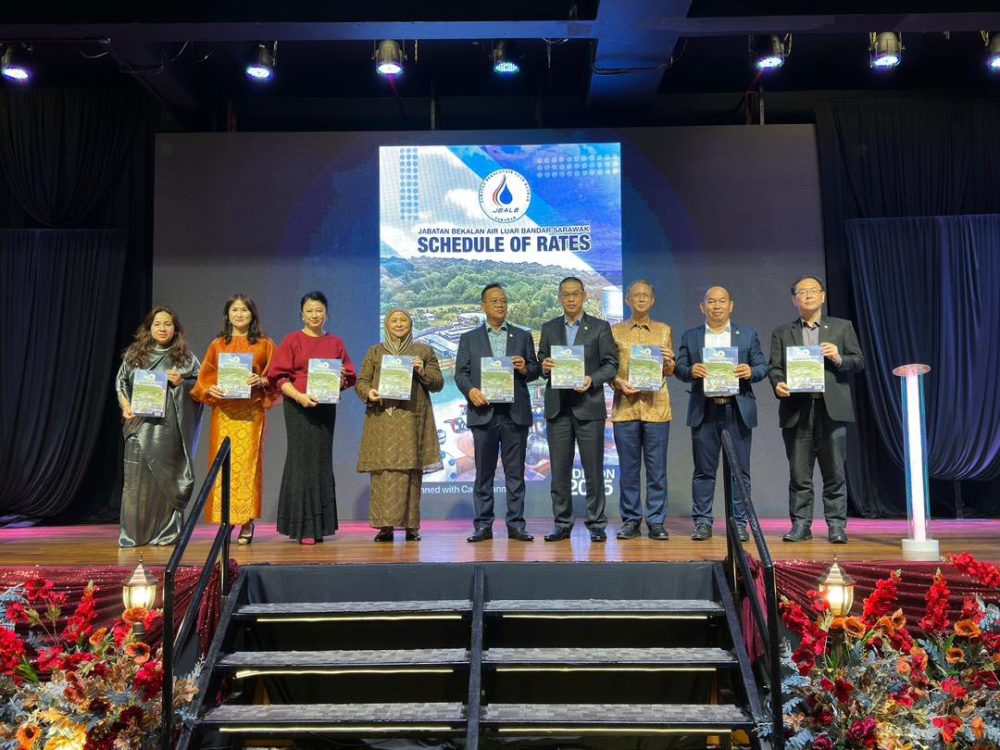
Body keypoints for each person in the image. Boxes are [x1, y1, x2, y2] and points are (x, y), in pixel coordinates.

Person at [768, 275, 865, 544]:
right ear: (794, 300)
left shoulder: (842, 327)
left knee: (835, 472)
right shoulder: (782, 332)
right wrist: (778, 384)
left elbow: (858, 362)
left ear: (822, 296)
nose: (808, 295)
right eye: (802, 292)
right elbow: (775, 368)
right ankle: (801, 525)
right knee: (799, 473)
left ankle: (836, 525)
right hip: (797, 409)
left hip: (832, 408)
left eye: (813, 290)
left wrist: (838, 357)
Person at [675, 286, 767, 543]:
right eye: (711, 301)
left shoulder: (747, 335)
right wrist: (691, 370)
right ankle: (703, 522)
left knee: (740, 471)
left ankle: (739, 523)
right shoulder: (691, 336)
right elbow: (679, 368)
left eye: (722, 301)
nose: (716, 306)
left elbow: (762, 366)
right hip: (704, 410)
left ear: (731, 305)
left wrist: (750, 371)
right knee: (703, 471)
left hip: (736, 410)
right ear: (702, 307)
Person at [269, 291, 356, 544]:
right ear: (302, 315)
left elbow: (349, 377)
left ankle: (321, 525)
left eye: (319, 310)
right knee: (301, 461)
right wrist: (299, 397)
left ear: (327, 314)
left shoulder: (335, 342)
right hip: (298, 407)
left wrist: (340, 380)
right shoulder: (292, 340)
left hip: (325, 408)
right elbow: (278, 377)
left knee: (320, 461)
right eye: (309, 311)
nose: (314, 315)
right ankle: (303, 527)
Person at [455, 283, 540, 543]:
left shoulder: (522, 336)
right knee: (484, 474)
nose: (500, 305)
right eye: (494, 301)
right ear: (483, 306)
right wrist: (471, 391)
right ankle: (483, 525)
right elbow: (461, 374)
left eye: (503, 300)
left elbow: (535, 370)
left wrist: (525, 368)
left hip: (515, 414)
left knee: (515, 473)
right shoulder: (469, 338)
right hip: (484, 413)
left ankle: (516, 525)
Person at [190, 294, 277, 545]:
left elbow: (276, 376)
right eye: (235, 310)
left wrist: (262, 380)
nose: (239, 314)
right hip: (225, 413)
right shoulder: (218, 344)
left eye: (244, 310)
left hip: (251, 414)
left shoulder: (265, 344)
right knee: (224, 465)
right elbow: (203, 381)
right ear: (227, 315)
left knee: (248, 467)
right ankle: (226, 521)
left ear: (253, 315)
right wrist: (211, 389)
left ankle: (246, 520)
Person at [538, 276, 619, 542]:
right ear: (559, 298)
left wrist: (592, 380)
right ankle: (562, 523)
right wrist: (544, 366)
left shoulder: (600, 327)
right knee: (559, 471)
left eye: (575, 293)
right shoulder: (549, 328)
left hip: (589, 407)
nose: (571, 298)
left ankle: (596, 524)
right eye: (566, 294)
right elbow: (541, 361)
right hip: (558, 408)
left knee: (593, 470)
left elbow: (611, 364)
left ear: (584, 296)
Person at [115, 306, 203, 547]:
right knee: (136, 483)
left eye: (167, 324)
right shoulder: (135, 354)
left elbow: (201, 387)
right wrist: (125, 405)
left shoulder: (185, 358)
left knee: (167, 481)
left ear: (175, 329)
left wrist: (182, 383)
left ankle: (166, 533)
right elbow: (121, 382)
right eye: (157, 324)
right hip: (139, 427)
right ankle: (135, 534)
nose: (162, 328)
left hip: (168, 430)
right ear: (149, 328)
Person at [356, 308, 444, 542]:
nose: (398, 323)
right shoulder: (375, 351)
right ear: (387, 324)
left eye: (403, 320)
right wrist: (369, 392)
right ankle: (384, 528)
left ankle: (411, 527)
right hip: (382, 419)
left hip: (412, 419)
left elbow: (438, 383)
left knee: (411, 471)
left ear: (410, 323)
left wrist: (421, 370)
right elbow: (362, 381)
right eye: (393, 320)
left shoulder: (423, 351)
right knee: (383, 472)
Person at [610, 280, 676, 541]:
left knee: (657, 470)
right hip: (625, 408)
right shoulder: (615, 332)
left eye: (645, 295)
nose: (640, 299)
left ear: (653, 300)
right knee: (628, 470)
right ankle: (631, 520)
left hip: (656, 408)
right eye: (635, 295)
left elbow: (668, 371)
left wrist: (669, 363)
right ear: (627, 300)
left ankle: (656, 521)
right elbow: (609, 368)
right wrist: (618, 382)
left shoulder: (664, 330)